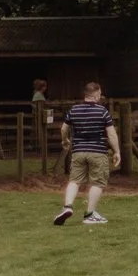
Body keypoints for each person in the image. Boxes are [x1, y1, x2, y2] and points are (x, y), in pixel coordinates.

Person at [53, 82, 119, 225]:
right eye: (99, 94)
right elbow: (111, 134)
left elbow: (64, 129)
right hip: (98, 152)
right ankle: (89, 214)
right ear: (95, 95)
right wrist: (117, 151)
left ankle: (68, 206)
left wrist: (65, 140)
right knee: (98, 182)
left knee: (74, 180)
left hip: (78, 151)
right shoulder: (103, 111)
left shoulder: (74, 110)